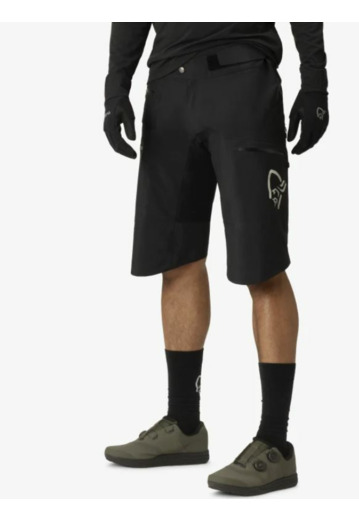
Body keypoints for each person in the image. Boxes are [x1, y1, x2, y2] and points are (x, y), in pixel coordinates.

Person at [103, 22, 329, 497]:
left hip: (242, 81)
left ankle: (275, 443)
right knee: (176, 259)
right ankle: (184, 424)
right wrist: (115, 87)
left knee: (263, 266)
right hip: (168, 85)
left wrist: (315, 81)